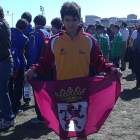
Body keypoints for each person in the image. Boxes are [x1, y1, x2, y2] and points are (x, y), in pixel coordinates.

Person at [24, 2, 122, 140]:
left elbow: (98, 61)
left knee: (81, 130)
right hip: (61, 92)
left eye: (74, 20)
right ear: (63, 20)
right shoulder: (54, 41)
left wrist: (112, 68)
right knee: (64, 131)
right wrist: (32, 69)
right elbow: (45, 63)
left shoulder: (89, 40)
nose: (71, 24)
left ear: (80, 20)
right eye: (67, 20)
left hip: (82, 91)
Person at [29, 14, 52, 123]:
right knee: (47, 92)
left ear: (35, 22)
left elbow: (32, 52)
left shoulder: (34, 34)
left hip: (37, 67)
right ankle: (48, 114)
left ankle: (41, 117)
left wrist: (31, 67)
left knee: (38, 92)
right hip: (48, 66)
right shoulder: (48, 33)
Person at [8, 18, 28, 115]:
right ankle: (15, 107)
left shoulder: (8, 31)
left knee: (8, 85)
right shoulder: (24, 37)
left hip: (7, 62)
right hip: (19, 64)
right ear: (25, 28)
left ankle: (8, 104)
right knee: (18, 86)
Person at [0, 6, 15, 129]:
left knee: (2, 91)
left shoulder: (2, 24)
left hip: (4, 62)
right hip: (4, 62)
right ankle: (6, 115)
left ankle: (9, 118)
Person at [21, 12, 33, 106]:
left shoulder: (21, 30)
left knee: (23, 79)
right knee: (28, 79)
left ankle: (25, 98)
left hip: (22, 57)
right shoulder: (33, 30)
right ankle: (27, 98)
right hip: (31, 57)